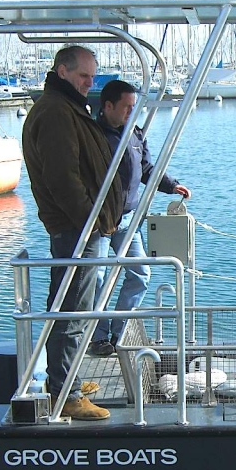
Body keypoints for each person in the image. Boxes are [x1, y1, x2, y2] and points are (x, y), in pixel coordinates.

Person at [21, 45, 123, 420]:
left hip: (81, 229)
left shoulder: (66, 108)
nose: (90, 83)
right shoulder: (55, 113)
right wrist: (91, 224)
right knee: (71, 313)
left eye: (93, 76)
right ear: (62, 72)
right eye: (84, 76)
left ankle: (69, 379)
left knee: (76, 310)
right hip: (76, 232)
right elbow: (62, 178)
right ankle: (67, 393)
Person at [88, 79, 191, 356]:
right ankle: (98, 337)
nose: (131, 113)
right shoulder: (92, 135)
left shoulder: (134, 134)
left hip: (127, 220)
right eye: (126, 107)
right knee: (96, 278)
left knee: (141, 274)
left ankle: (119, 333)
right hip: (97, 221)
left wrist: (170, 185)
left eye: (135, 108)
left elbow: (146, 168)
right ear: (107, 106)